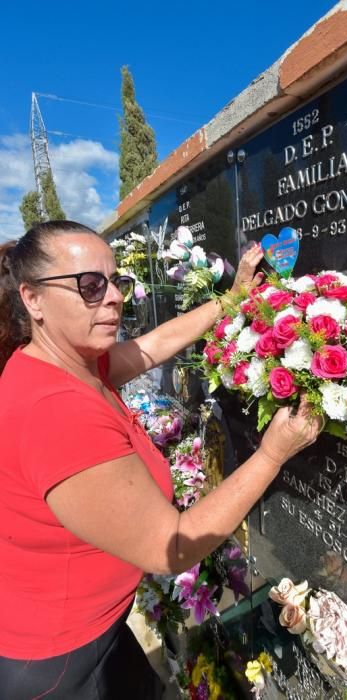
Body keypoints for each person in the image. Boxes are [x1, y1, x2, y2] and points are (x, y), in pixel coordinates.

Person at [0, 221, 321, 699]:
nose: (113, 298)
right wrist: (273, 454)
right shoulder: (56, 410)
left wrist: (230, 299)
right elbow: (171, 546)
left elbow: (153, 346)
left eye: (116, 282)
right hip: (61, 661)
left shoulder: (72, 363)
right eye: (89, 285)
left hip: (90, 627)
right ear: (33, 298)